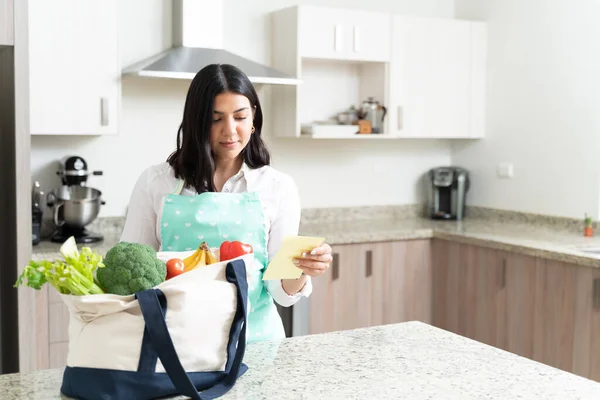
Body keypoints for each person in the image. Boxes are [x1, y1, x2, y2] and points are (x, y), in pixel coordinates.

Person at [120, 63, 333, 343]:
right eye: (215, 118)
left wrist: (302, 269)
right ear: (196, 121)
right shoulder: (155, 182)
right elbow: (132, 278)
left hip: (256, 345)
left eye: (240, 117)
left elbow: (280, 292)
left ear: (254, 118)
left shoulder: (278, 187)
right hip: (177, 346)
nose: (230, 130)